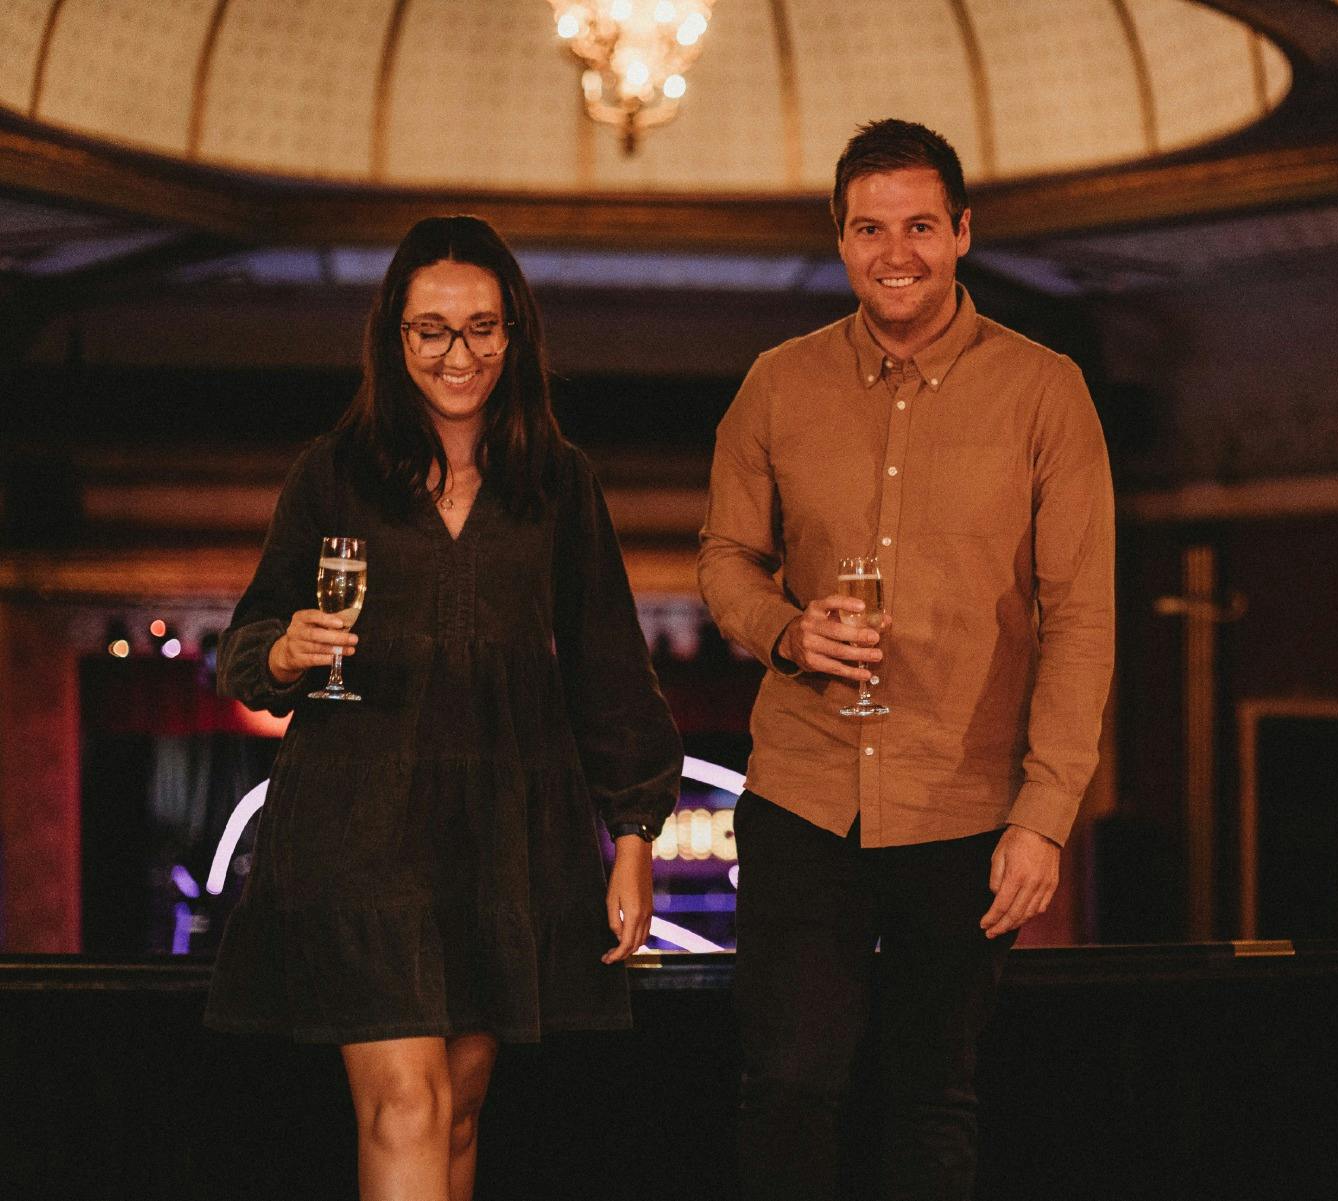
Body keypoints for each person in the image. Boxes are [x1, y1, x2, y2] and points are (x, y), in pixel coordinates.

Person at [205, 215, 681, 1201]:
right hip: (358, 830)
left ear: (514, 335)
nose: (458, 354)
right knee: (408, 1106)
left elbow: (609, 669)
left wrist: (632, 834)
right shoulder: (332, 474)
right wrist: (286, 649)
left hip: (507, 837)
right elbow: (246, 653)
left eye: (481, 328)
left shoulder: (557, 482)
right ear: (393, 336)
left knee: (457, 1111)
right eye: (432, 330)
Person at [699, 119, 1115, 1200]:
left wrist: (1045, 811)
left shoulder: (1044, 391)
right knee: (786, 1084)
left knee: (936, 1098)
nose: (897, 251)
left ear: (962, 232)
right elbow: (723, 560)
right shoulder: (775, 384)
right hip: (800, 793)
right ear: (838, 241)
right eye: (869, 227)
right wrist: (789, 631)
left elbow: (1080, 617)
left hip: (965, 802)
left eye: (920, 225)